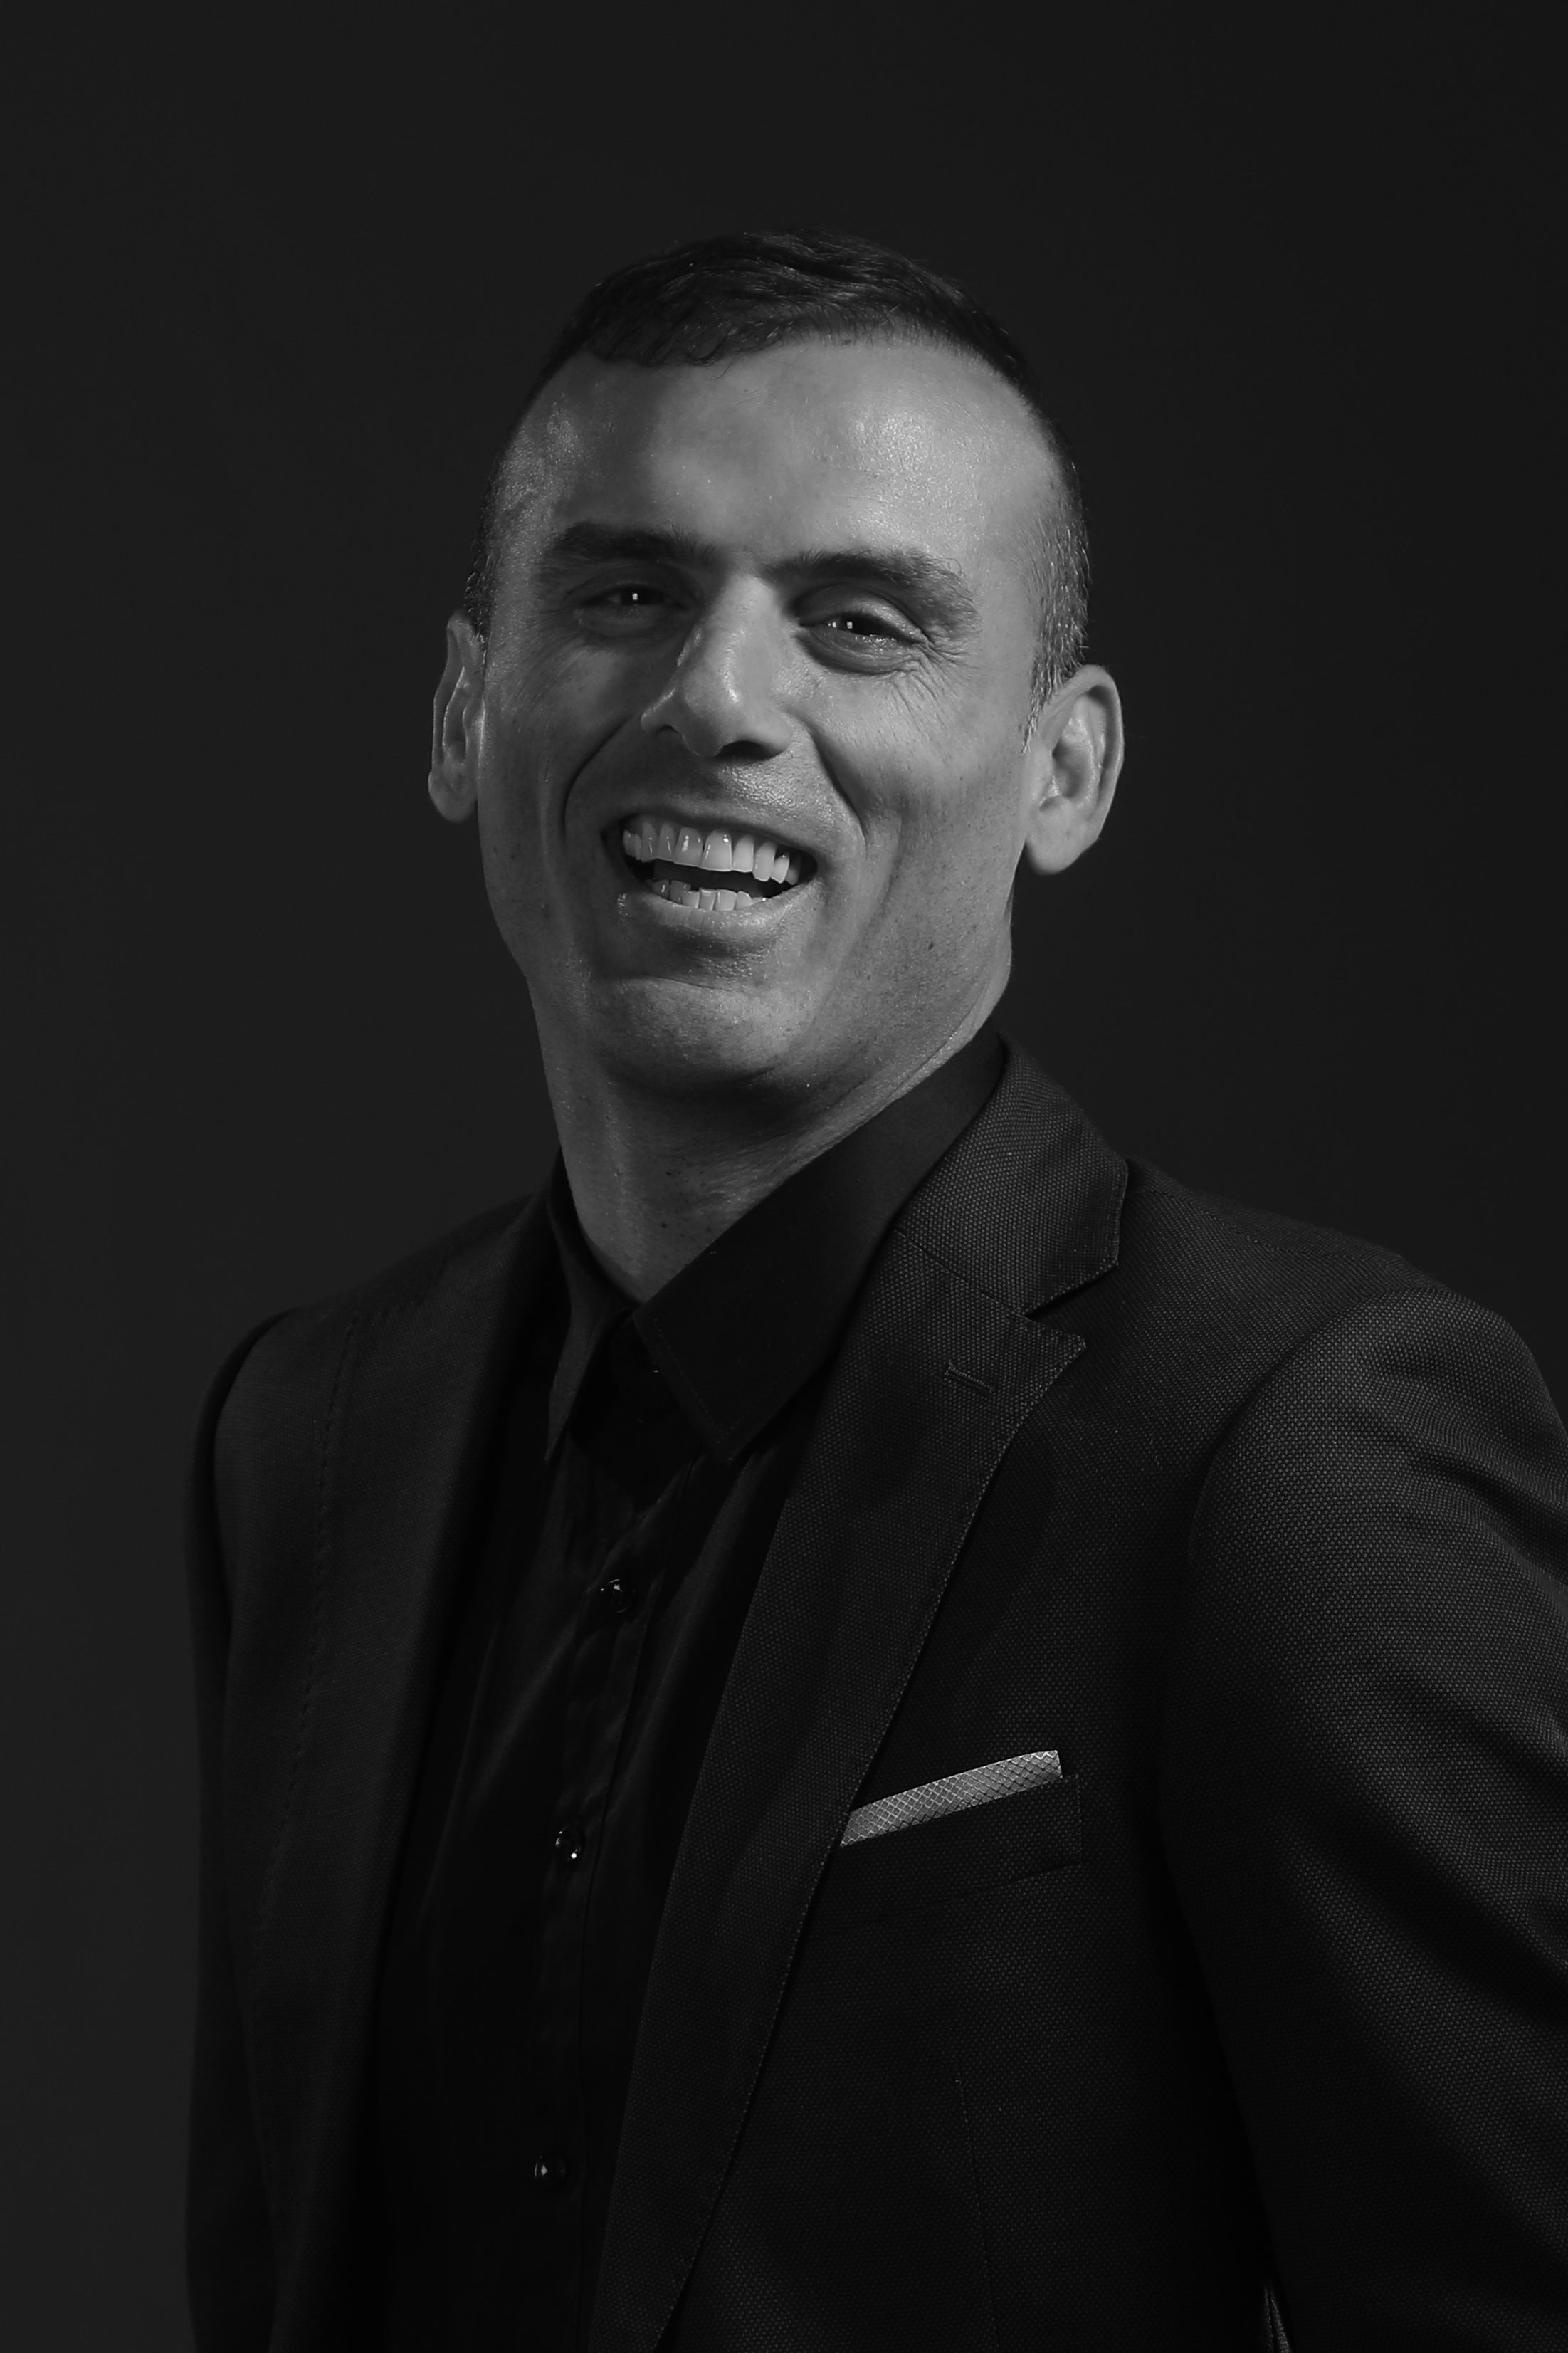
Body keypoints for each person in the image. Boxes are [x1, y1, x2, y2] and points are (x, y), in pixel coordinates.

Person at [185, 229, 1568, 2353]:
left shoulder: (1294, 1454)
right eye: (625, 594)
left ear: (1066, 772)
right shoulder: (309, 1435)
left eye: (860, 621)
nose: (719, 701)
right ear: (467, 709)